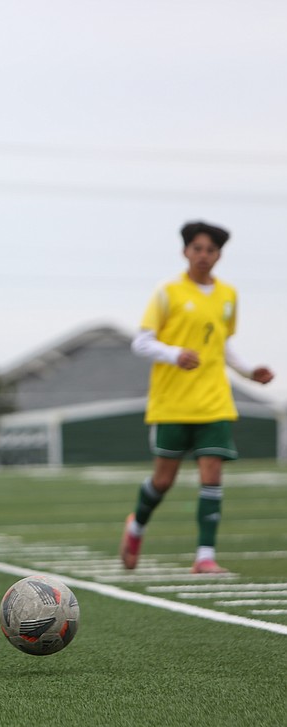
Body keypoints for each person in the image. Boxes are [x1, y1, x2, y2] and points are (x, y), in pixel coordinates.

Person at [119, 221, 274, 574]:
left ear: (219, 255)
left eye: (211, 250)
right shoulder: (167, 291)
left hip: (215, 401)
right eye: (197, 249)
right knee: (163, 481)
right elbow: (141, 341)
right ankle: (136, 526)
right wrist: (174, 354)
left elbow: (222, 345)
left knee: (213, 473)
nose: (204, 256)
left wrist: (250, 372)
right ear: (185, 251)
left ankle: (205, 556)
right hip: (172, 403)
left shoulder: (228, 296)